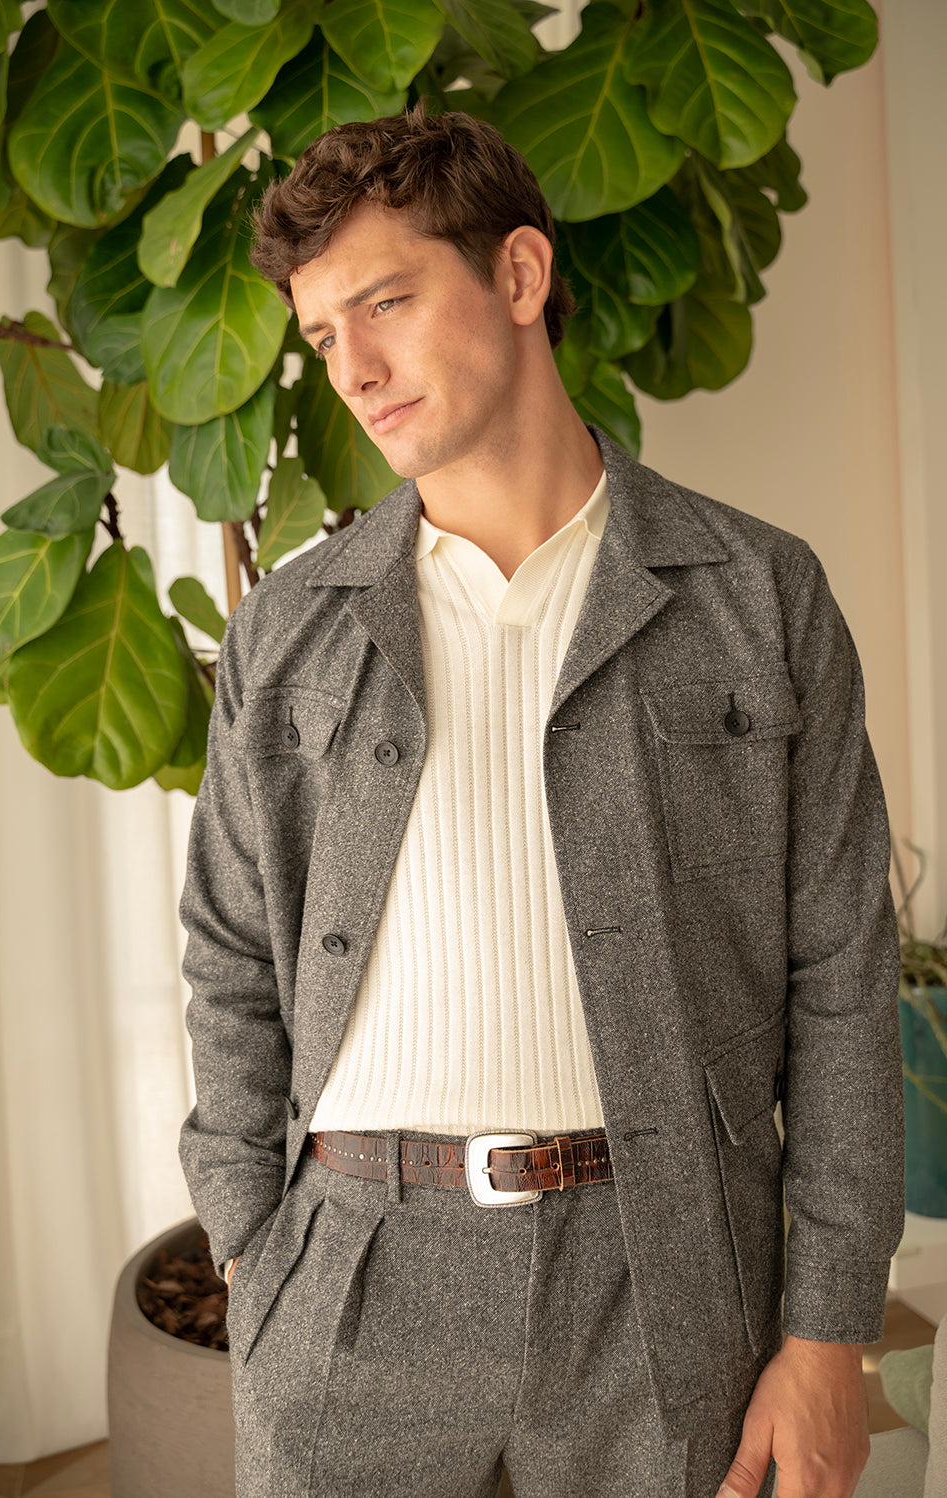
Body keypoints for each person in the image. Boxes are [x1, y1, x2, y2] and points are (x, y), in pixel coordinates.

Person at [177, 102, 904, 1498]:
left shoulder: (758, 596)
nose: (354, 370)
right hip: (351, 1279)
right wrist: (251, 1242)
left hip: (668, 1273)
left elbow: (842, 979)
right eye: (323, 336)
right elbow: (228, 951)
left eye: (385, 303)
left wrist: (827, 1332)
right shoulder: (289, 630)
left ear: (518, 275)